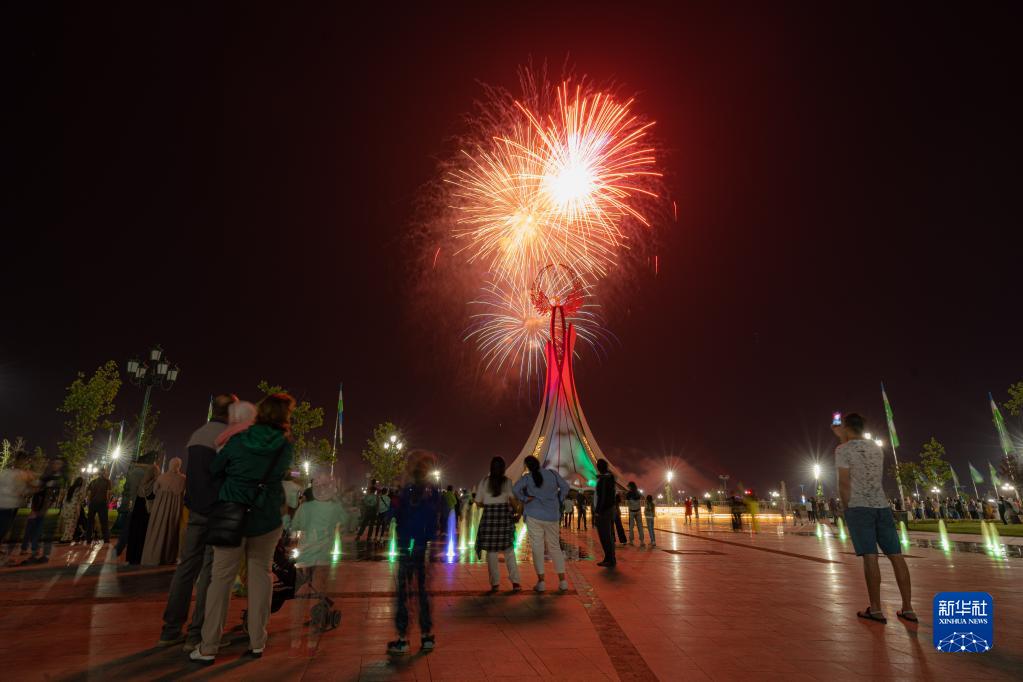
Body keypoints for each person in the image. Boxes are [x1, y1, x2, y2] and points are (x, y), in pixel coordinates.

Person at [190, 393, 295, 665]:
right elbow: (279, 474)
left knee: (221, 579)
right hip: (266, 518)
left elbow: (215, 468)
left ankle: (209, 645)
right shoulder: (284, 447)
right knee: (261, 575)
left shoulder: (237, 440)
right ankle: (258, 640)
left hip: (231, 515)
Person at [158, 394, 237, 650]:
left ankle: (170, 630)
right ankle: (197, 633)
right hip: (219, 512)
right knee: (210, 574)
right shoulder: (229, 438)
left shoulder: (197, 435)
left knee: (186, 569)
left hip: (196, 511)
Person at [834, 413, 915, 624]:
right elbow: (858, 451)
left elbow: (844, 482)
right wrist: (844, 437)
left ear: (846, 427)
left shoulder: (842, 450)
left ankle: (876, 609)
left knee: (870, 556)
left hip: (859, 508)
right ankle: (908, 608)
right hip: (882, 506)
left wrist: (845, 506)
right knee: (896, 556)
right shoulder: (875, 448)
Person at [388, 452, 442, 654]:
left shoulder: (406, 491)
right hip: (422, 546)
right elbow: (435, 517)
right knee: (422, 591)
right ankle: (426, 636)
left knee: (403, 591)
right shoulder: (432, 491)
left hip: (406, 545)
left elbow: (395, 514)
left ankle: (402, 638)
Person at [291, 471, 346, 626]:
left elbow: (295, 526)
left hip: (306, 553)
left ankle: (312, 613)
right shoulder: (331, 508)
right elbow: (344, 521)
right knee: (319, 585)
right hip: (322, 553)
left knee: (307, 585)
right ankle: (320, 612)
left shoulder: (305, 509)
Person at [513, 456, 570, 593]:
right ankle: (562, 581)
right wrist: (559, 498)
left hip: (534, 515)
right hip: (552, 515)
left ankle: (541, 582)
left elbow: (515, 489)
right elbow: (565, 487)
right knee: (555, 547)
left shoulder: (527, 477)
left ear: (527, 466)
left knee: (537, 548)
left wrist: (525, 499)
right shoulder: (552, 474)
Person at [474, 456, 522, 594]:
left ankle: (495, 584)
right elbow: (513, 501)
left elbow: (477, 502)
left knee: (491, 553)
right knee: (509, 551)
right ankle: (516, 582)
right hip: (503, 517)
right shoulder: (507, 482)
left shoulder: (484, 482)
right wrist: (518, 512)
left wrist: (488, 506)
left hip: (489, 517)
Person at [142, 457, 186, 566]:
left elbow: (155, 490)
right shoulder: (183, 479)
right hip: (174, 509)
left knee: (158, 530)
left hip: (160, 509)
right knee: (171, 532)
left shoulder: (161, 478)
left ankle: (154, 556)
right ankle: (168, 557)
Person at [21, 458, 65, 563]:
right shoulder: (48, 476)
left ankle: (38, 552)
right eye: (54, 463)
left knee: (38, 529)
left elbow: (48, 491)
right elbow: (39, 489)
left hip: (43, 508)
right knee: (34, 529)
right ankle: (33, 550)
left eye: (58, 464)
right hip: (38, 507)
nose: (56, 465)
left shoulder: (56, 478)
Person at [125, 451, 160, 565]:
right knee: (142, 533)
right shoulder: (153, 485)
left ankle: (132, 556)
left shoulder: (140, 484)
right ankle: (140, 556)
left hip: (137, 507)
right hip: (146, 511)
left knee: (134, 531)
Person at [0, 452, 35, 556]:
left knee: (6, 527)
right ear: (17, 461)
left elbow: (25, 490)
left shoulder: (23, 474)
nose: (24, 464)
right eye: (23, 461)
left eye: (26, 462)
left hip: (13, 505)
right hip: (5, 504)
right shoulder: (9, 473)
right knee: (3, 527)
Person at [593, 459, 617, 567]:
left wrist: (598, 511)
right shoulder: (608, 478)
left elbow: (602, 497)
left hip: (604, 511)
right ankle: (610, 558)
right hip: (609, 509)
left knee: (605, 536)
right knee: (607, 535)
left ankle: (610, 559)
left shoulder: (604, 480)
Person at [85, 470, 112, 544]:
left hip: (93, 503)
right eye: (106, 473)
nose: (107, 474)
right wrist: (108, 502)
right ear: (103, 473)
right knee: (104, 522)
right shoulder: (107, 482)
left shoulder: (93, 482)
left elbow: (89, 493)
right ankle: (106, 539)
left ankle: (88, 539)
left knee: (90, 522)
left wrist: (88, 503)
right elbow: (108, 493)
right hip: (102, 503)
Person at [59, 476, 87, 542]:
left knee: (67, 524)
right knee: (72, 524)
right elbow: (82, 499)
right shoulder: (80, 490)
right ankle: (66, 538)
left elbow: (65, 498)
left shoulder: (71, 488)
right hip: (74, 508)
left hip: (67, 508)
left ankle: (68, 537)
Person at [625, 482, 645, 546]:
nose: (628, 487)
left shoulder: (628, 494)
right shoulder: (638, 492)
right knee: (640, 526)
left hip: (632, 511)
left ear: (630, 486)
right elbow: (641, 499)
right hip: (638, 511)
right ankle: (642, 541)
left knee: (631, 527)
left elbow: (627, 503)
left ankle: (631, 541)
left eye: (628, 486)